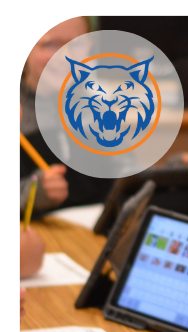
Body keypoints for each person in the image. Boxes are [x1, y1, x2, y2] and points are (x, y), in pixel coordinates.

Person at [21, 16, 113, 218]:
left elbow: (120, 180)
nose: (65, 57)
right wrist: (32, 192)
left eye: (77, 44)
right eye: (50, 44)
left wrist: (166, 177)